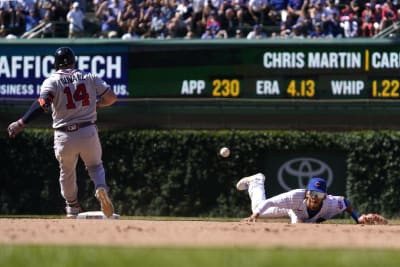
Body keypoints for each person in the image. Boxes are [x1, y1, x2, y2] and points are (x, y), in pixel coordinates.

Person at [7, 47, 117, 219]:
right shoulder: (89, 76)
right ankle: (100, 187)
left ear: (56, 63)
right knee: (95, 166)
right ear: (74, 61)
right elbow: (111, 97)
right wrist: (96, 104)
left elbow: (42, 104)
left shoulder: (52, 81)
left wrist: (21, 122)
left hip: (64, 135)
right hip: (88, 130)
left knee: (67, 171)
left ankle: (72, 207)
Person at [236, 173, 360, 224]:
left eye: (320, 195)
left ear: (325, 196)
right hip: (292, 206)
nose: (315, 198)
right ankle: (257, 181)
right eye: (313, 194)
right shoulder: (294, 196)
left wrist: (358, 219)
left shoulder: (331, 203)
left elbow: (345, 202)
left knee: (300, 225)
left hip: (299, 213)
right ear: (307, 193)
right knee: (258, 209)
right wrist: (255, 216)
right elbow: (270, 202)